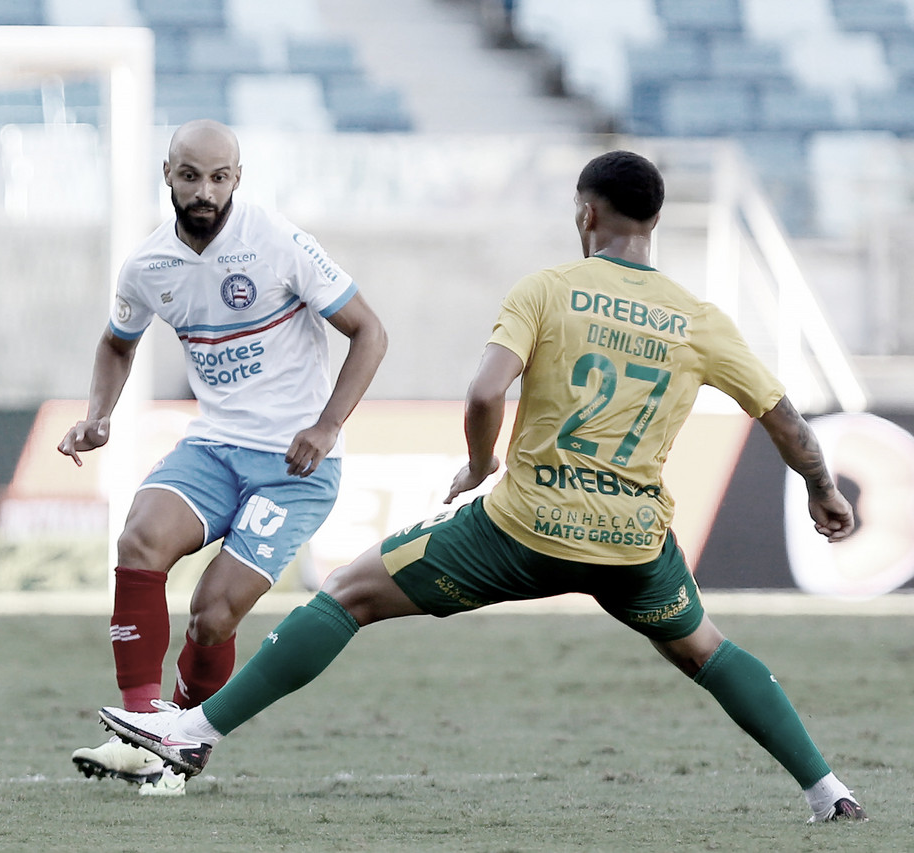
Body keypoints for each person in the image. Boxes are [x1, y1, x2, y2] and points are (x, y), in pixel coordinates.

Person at [97, 150, 867, 823]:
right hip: (633, 542)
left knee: (348, 595)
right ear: (655, 222)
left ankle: (194, 733)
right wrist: (822, 487)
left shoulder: (549, 289)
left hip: (523, 528)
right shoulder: (701, 319)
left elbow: (484, 392)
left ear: (584, 214)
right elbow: (786, 420)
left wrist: (478, 463)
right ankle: (826, 787)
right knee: (706, 649)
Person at [61, 120, 388, 796]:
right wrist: (99, 415)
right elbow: (116, 342)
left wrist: (328, 425)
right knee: (139, 535)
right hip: (214, 445)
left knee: (213, 612)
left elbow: (370, 332)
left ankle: (183, 740)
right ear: (167, 174)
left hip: (296, 466)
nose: (204, 190)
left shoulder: (278, 243)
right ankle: (142, 728)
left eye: (219, 177)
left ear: (237, 178)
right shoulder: (149, 265)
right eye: (190, 175)